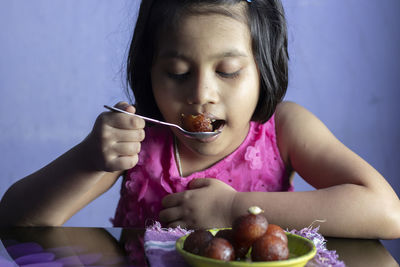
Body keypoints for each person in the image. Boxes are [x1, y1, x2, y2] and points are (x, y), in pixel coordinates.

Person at [0, 0, 399, 240]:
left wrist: (236, 209)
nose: (201, 94)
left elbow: (388, 213)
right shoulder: (140, 138)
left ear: (265, 70)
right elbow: (18, 221)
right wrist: (88, 158)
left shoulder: (284, 129)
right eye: (176, 73)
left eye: (227, 71)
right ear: (148, 72)